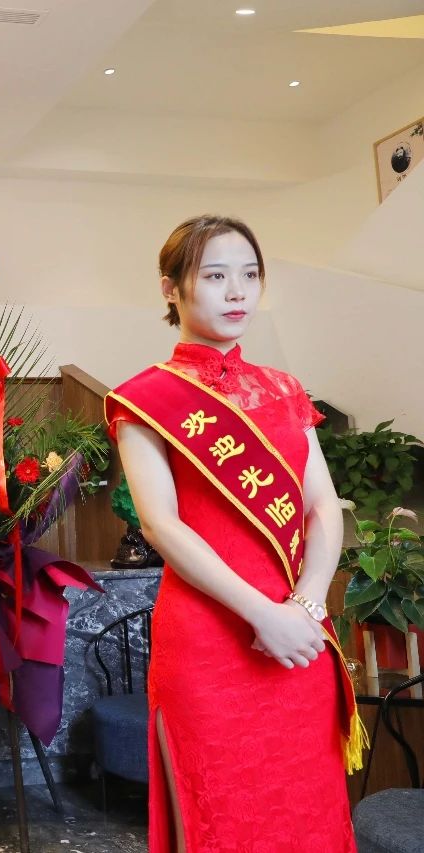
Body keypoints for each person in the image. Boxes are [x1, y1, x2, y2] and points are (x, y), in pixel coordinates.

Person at [106, 215, 362, 852]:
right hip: (210, 638)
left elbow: (322, 506)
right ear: (171, 289)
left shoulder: (284, 389)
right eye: (215, 276)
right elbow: (161, 525)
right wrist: (263, 614)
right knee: (219, 816)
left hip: (299, 632)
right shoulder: (144, 399)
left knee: (306, 810)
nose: (237, 291)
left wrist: (306, 605)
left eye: (249, 275)